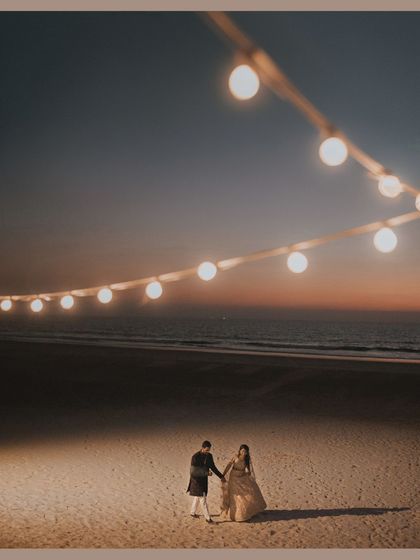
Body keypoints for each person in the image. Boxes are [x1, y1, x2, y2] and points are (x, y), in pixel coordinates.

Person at [220, 444, 267, 522]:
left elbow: (249, 471)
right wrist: (223, 475)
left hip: (242, 477)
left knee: (248, 494)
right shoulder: (235, 457)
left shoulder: (247, 459)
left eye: (245, 451)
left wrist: (248, 474)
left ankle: (245, 513)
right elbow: (229, 466)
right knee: (237, 496)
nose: (244, 452)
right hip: (233, 477)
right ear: (240, 450)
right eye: (242, 451)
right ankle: (236, 515)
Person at [187, 440, 226, 523]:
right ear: (202, 448)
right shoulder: (195, 457)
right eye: (206, 450)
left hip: (204, 480)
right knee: (203, 499)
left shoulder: (209, 456)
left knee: (197, 497)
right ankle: (208, 519)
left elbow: (213, 467)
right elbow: (193, 471)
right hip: (196, 481)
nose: (208, 452)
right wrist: (206, 473)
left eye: (209, 450)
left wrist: (221, 476)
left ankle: (192, 512)